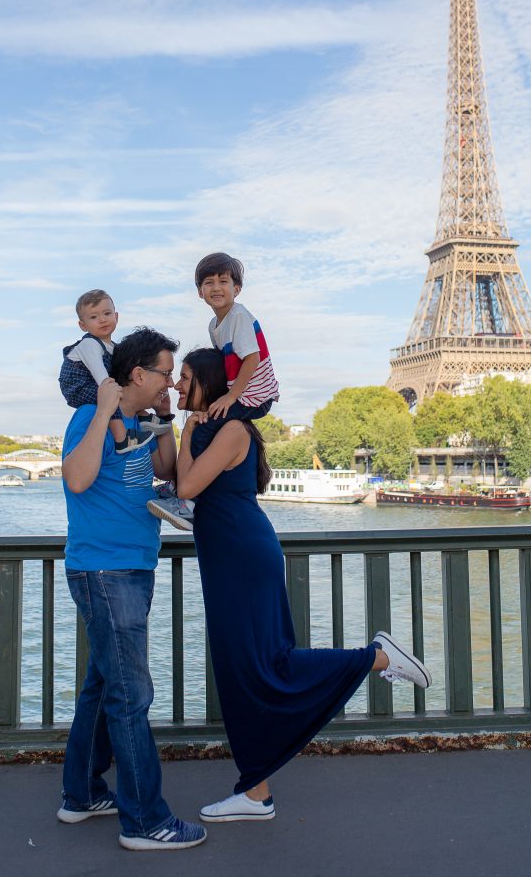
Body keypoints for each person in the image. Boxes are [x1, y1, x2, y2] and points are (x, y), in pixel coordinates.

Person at [174, 348, 432, 823]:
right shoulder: (215, 430)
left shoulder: (231, 430)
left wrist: (186, 430)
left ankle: (377, 657)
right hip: (229, 556)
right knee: (242, 671)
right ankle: (255, 793)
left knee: (263, 665)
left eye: (185, 378)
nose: (176, 386)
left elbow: (186, 488)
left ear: (208, 383)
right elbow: (175, 475)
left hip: (241, 558)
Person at [57, 327, 206, 852]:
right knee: (131, 695)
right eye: (166, 372)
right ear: (137, 374)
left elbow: (164, 470)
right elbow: (76, 479)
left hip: (131, 568)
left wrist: (165, 423)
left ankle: (82, 795)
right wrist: (102, 410)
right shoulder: (88, 418)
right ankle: (145, 821)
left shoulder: (143, 423)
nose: (171, 380)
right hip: (105, 571)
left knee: (102, 688)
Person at [149, 252, 279, 531]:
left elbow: (252, 358)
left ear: (237, 289)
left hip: (254, 395)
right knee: (206, 421)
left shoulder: (239, 316)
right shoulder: (215, 325)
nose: (217, 287)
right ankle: (179, 492)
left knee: (207, 425)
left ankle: (186, 501)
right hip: (242, 392)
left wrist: (231, 396)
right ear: (200, 292)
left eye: (224, 281)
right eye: (209, 282)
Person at [59, 289, 174, 454]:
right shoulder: (89, 345)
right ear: (83, 326)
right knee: (110, 397)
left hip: (96, 383)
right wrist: (116, 393)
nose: (102, 320)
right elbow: (103, 381)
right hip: (79, 387)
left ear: (116, 317)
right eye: (93, 317)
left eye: (107, 313)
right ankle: (122, 439)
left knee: (119, 394)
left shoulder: (113, 347)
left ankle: (143, 416)